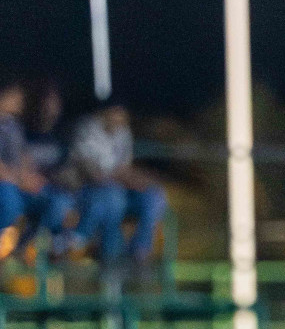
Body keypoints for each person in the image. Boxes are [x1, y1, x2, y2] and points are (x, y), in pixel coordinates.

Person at [67, 102, 167, 265]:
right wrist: (124, 177)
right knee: (114, 198)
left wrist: (139, 180)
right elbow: (94, 174)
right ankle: (106, 254)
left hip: (117, 189)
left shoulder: (123, 132)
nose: (120, 117)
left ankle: (140, 250)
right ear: (105, 111)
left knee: (154, 196)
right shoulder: (87, 129)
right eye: (116, 111)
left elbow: (124, 168)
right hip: (89, 192)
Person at [16, 80, 75, 256]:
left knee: (64, 202)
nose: (51, 107)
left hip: (52, 190)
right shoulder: (23, 130)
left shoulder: (61, 135)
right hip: (24, 189)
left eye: (55, 102)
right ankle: (29, 246)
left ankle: (33, 244)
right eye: (47, 101)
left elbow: (68, 171)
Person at [0, 80, 36, 245]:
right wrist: (19, 180)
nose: (20, 102)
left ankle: (35, 251)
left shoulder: (13, 125)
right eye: (15, 97)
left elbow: (23, 155)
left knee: (57, 200)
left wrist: (30, 177)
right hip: (6, 184)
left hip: (16, 181)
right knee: (11, 198)